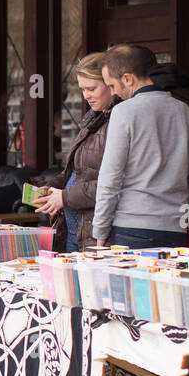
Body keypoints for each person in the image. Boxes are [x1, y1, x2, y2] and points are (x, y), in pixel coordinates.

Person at [92, 44, 189, 249]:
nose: (113, 92)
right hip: (175, 228)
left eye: (111, 85)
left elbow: (110, 179)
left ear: (128, 79)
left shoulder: (124, 112)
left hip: (131, 227)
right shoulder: (186, 112)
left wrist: (100, 231)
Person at [34, 52, 115, 252]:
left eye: (91, 88)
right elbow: (75, 171)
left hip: (97, 234)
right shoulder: (93, 119)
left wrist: (64, 197)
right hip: (74, 230)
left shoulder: (118, 122)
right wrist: (51, 188)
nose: (86, 96)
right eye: (82, 89)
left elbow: (111, 183)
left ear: (111, 84)